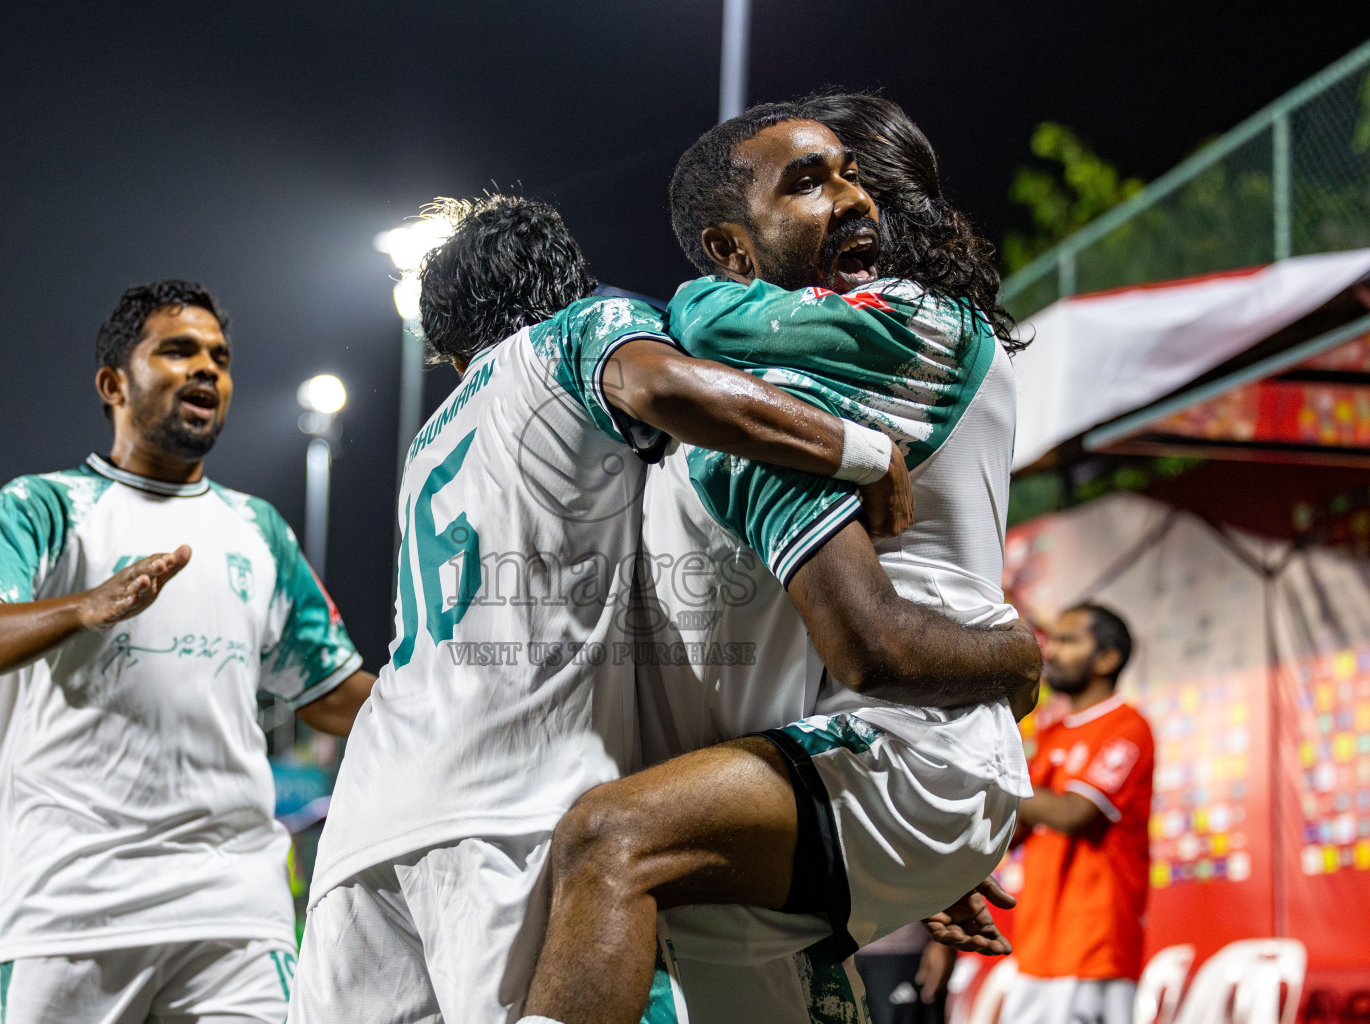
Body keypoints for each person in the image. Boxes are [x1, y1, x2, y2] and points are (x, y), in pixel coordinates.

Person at [289, 194, 1031, 1024]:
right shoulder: (576, 337)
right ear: (570, 289)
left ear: (449, 352)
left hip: (365, 823)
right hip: (503, 809)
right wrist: (859, 451)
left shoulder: (431, 444)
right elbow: (667, 385)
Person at [522, 99, 1040, 1024]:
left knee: (611, 843)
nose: (847, 200)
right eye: (810, 181)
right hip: (854, 750)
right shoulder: (858, 373)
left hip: (905, 741)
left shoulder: (881, 346)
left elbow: (715, 322)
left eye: (846, 174)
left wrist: (1015, 665)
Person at [0, 280, 374, 1024]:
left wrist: (451, 703)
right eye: (178, 350)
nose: (207, 370)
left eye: (219, 358)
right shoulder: (45, 506)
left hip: (236, 915)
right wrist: (83, 606)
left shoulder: (257, 529)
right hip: (72, 910)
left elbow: (332, 694)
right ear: (113, 384)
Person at [1003, 604, 1153, 1024]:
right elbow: (1016, 827)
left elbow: (1073, 814)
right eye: (1053, 641)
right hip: (1036, 947)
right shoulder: (1050, 734)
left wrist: (990, 775)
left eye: (1069, 641)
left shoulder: (1129, 727)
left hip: (1093, 948)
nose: (1051, 653)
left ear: (1107, 658)